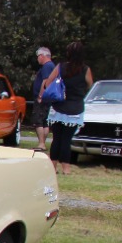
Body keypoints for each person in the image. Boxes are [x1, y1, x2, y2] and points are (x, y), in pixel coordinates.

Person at [41, 41, 94, 175]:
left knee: (57, 138)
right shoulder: (86, 70)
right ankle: (66, 168)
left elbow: (48, 83)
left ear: (69, 53)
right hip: (75, 109)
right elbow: (90, 85)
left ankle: (53, 166)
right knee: (66, 140)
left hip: (58, 107)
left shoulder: (60, 67)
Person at [30, 47, 56, 152]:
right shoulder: (52, 66)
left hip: (43, 98)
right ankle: (43, 143)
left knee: (38, 120)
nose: (37, 59)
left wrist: (40, 95)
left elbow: (45, 82)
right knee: (44, 121)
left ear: (42, 56)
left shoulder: (46, 66)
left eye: (38, 57)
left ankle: (41, 144)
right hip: (48, 98)